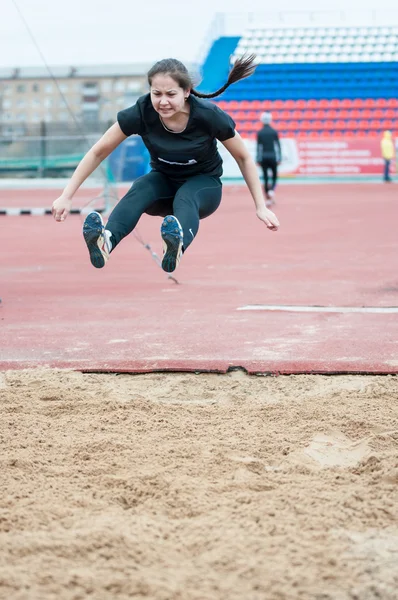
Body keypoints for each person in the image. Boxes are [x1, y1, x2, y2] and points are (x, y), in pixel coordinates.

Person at [52, 55, 280, 273]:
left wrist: (260, 206)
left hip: (203, 187)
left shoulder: (209, 116)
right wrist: (67, 195)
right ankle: (106, 242)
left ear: (187, 91)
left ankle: (176, 246)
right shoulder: (142, 112)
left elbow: (244, 157)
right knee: (141, 186)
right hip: (163, 185)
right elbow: (98, 151)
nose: (163, 102)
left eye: (171, 94)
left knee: (187, 195)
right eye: (156, 93)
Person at [256, 112, 281, 207]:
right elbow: (278, 146)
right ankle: (271, 191)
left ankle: (268, 198)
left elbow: (258, 147)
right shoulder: (274, 132)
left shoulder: (260, 132)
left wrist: (258, 158)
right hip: (273, 156)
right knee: (274, 175)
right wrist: (279, 157)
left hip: (263, 157)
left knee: (265, 177)